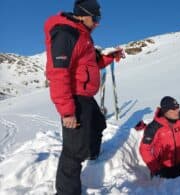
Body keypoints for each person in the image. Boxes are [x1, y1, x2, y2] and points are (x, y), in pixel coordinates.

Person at [44, 0, 124, 194]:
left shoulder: (83, 35)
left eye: (99, 18)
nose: (98, 23)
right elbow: (58, 73)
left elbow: (89, 65)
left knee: (99, 124)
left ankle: (93, 156)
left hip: (85, 97)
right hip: (74, 98)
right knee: (73, 151)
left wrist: (110, 57)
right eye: (95, 18)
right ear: (82, 14)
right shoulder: (66, 34)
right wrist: (67, 111)